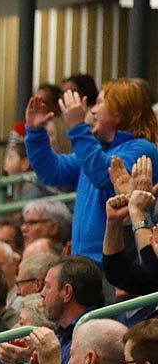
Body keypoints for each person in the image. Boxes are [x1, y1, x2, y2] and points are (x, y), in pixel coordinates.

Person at [26, 78, 158, 261]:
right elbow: (52, 171)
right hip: (85, 260)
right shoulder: (97, 150)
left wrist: (78, 127)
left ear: (120, 110)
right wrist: (35, 132)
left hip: (116, 261)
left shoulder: (142, 148)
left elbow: (104, 175)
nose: (92, 110)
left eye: (99, 103)